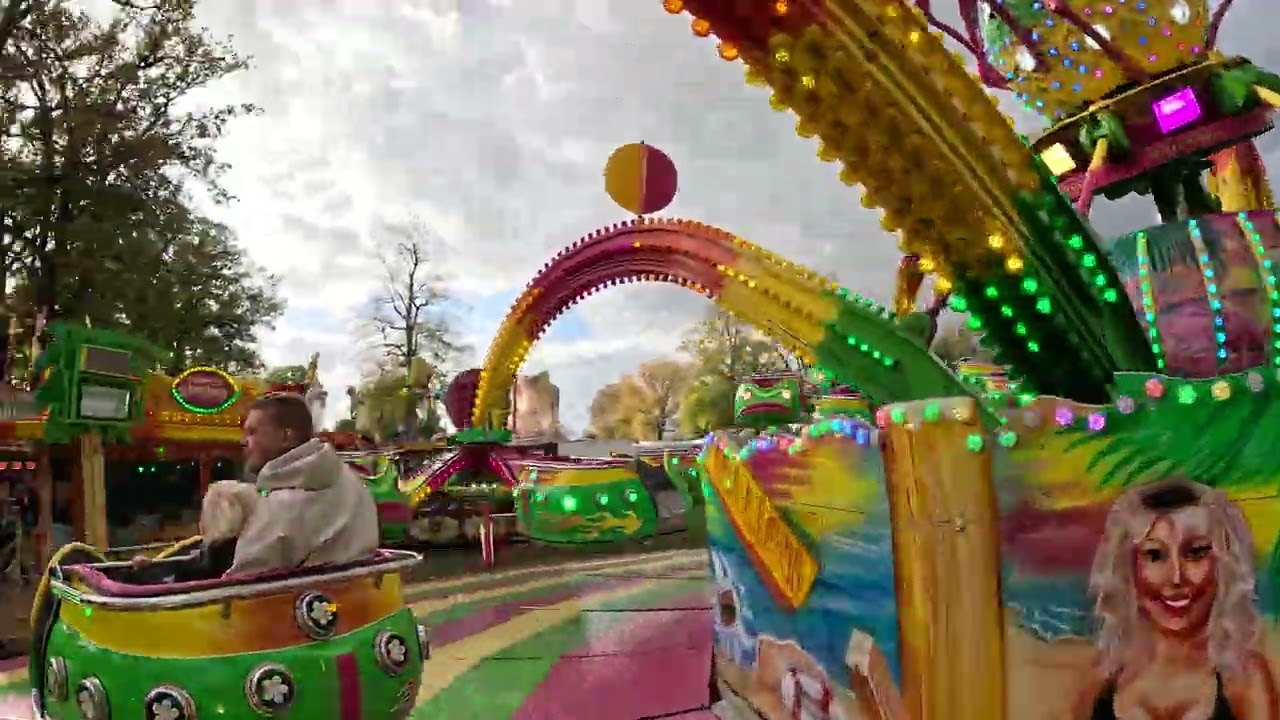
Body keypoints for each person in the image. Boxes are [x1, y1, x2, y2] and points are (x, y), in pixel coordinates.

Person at [1072, 478, 1280, 719]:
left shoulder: (1243, 677)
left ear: (1223, 565)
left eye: (1196, 552)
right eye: (1154, 555)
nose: (1176, 577)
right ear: (1126, 567)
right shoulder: (1101, 678)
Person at [227, 392, 379, 576]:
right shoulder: (354, 483)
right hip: (363, 596)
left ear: (285, 437)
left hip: (299, 601)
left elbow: (242, 584)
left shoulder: (281, 506)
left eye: (252, 432)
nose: (243, 441)